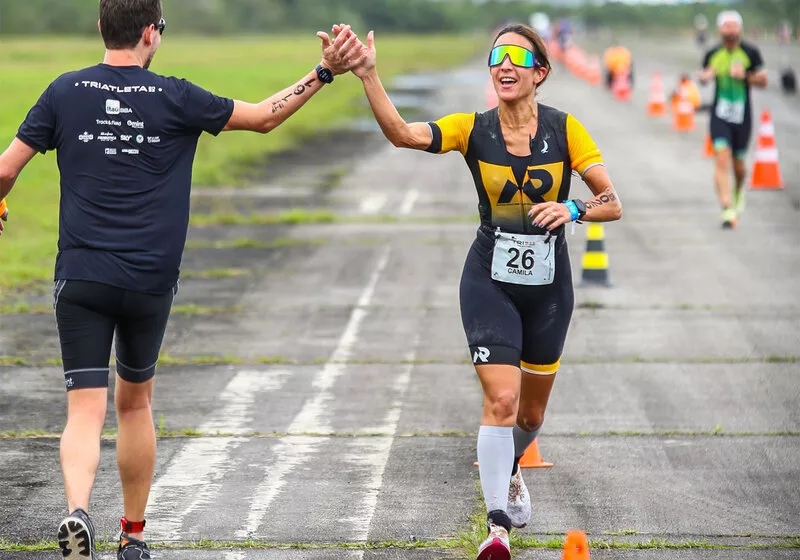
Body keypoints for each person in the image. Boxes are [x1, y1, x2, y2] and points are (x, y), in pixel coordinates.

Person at [0, 1, 364, 559]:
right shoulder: (176, 96)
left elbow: (5, 170)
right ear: (151, 33)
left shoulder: (63, 91)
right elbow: (265, 116)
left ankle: (77, 511)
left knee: (84, 408)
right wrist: (323, 71)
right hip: (149, 280)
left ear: (101, 28)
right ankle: (133, 536)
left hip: (81, 275)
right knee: (134, 403)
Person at [341, 22, 622, 560]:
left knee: (530, 417)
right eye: (497, 56)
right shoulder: (472, 129)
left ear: (541, 72)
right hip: (489, 279)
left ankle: (511, 464)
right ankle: (497, 529)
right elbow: (403, 134)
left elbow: (612, 201)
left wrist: (573, 207)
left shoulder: (565, 130)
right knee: (501, 400)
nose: (505, 65)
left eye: (518, 56)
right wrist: (369, 75)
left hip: (549, 288)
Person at [697, 10, 767, 229]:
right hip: (719, 114)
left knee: (739, 166)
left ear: (740, 28)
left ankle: (738, 190)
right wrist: (704, 77)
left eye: (733, 26)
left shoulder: (750, 52)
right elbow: (704, 76)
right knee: (721, 157)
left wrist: (745, 76)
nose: (730, 30)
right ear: (720, 29)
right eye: (726, 26)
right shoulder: (712, 53)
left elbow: (764, 81)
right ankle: (727, 207)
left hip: (742, 116)